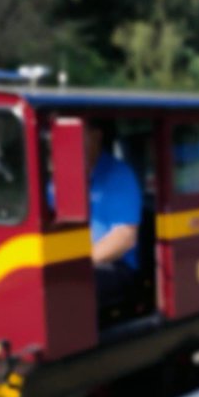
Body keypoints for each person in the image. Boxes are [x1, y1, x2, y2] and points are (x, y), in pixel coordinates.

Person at [85, 121, 143, 311]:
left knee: (65, 290)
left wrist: (76, 264)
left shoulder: (119, 175)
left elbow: (124, 237)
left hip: (114, 266)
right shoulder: (58, 177)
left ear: (96, 136)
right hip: (68, 261)